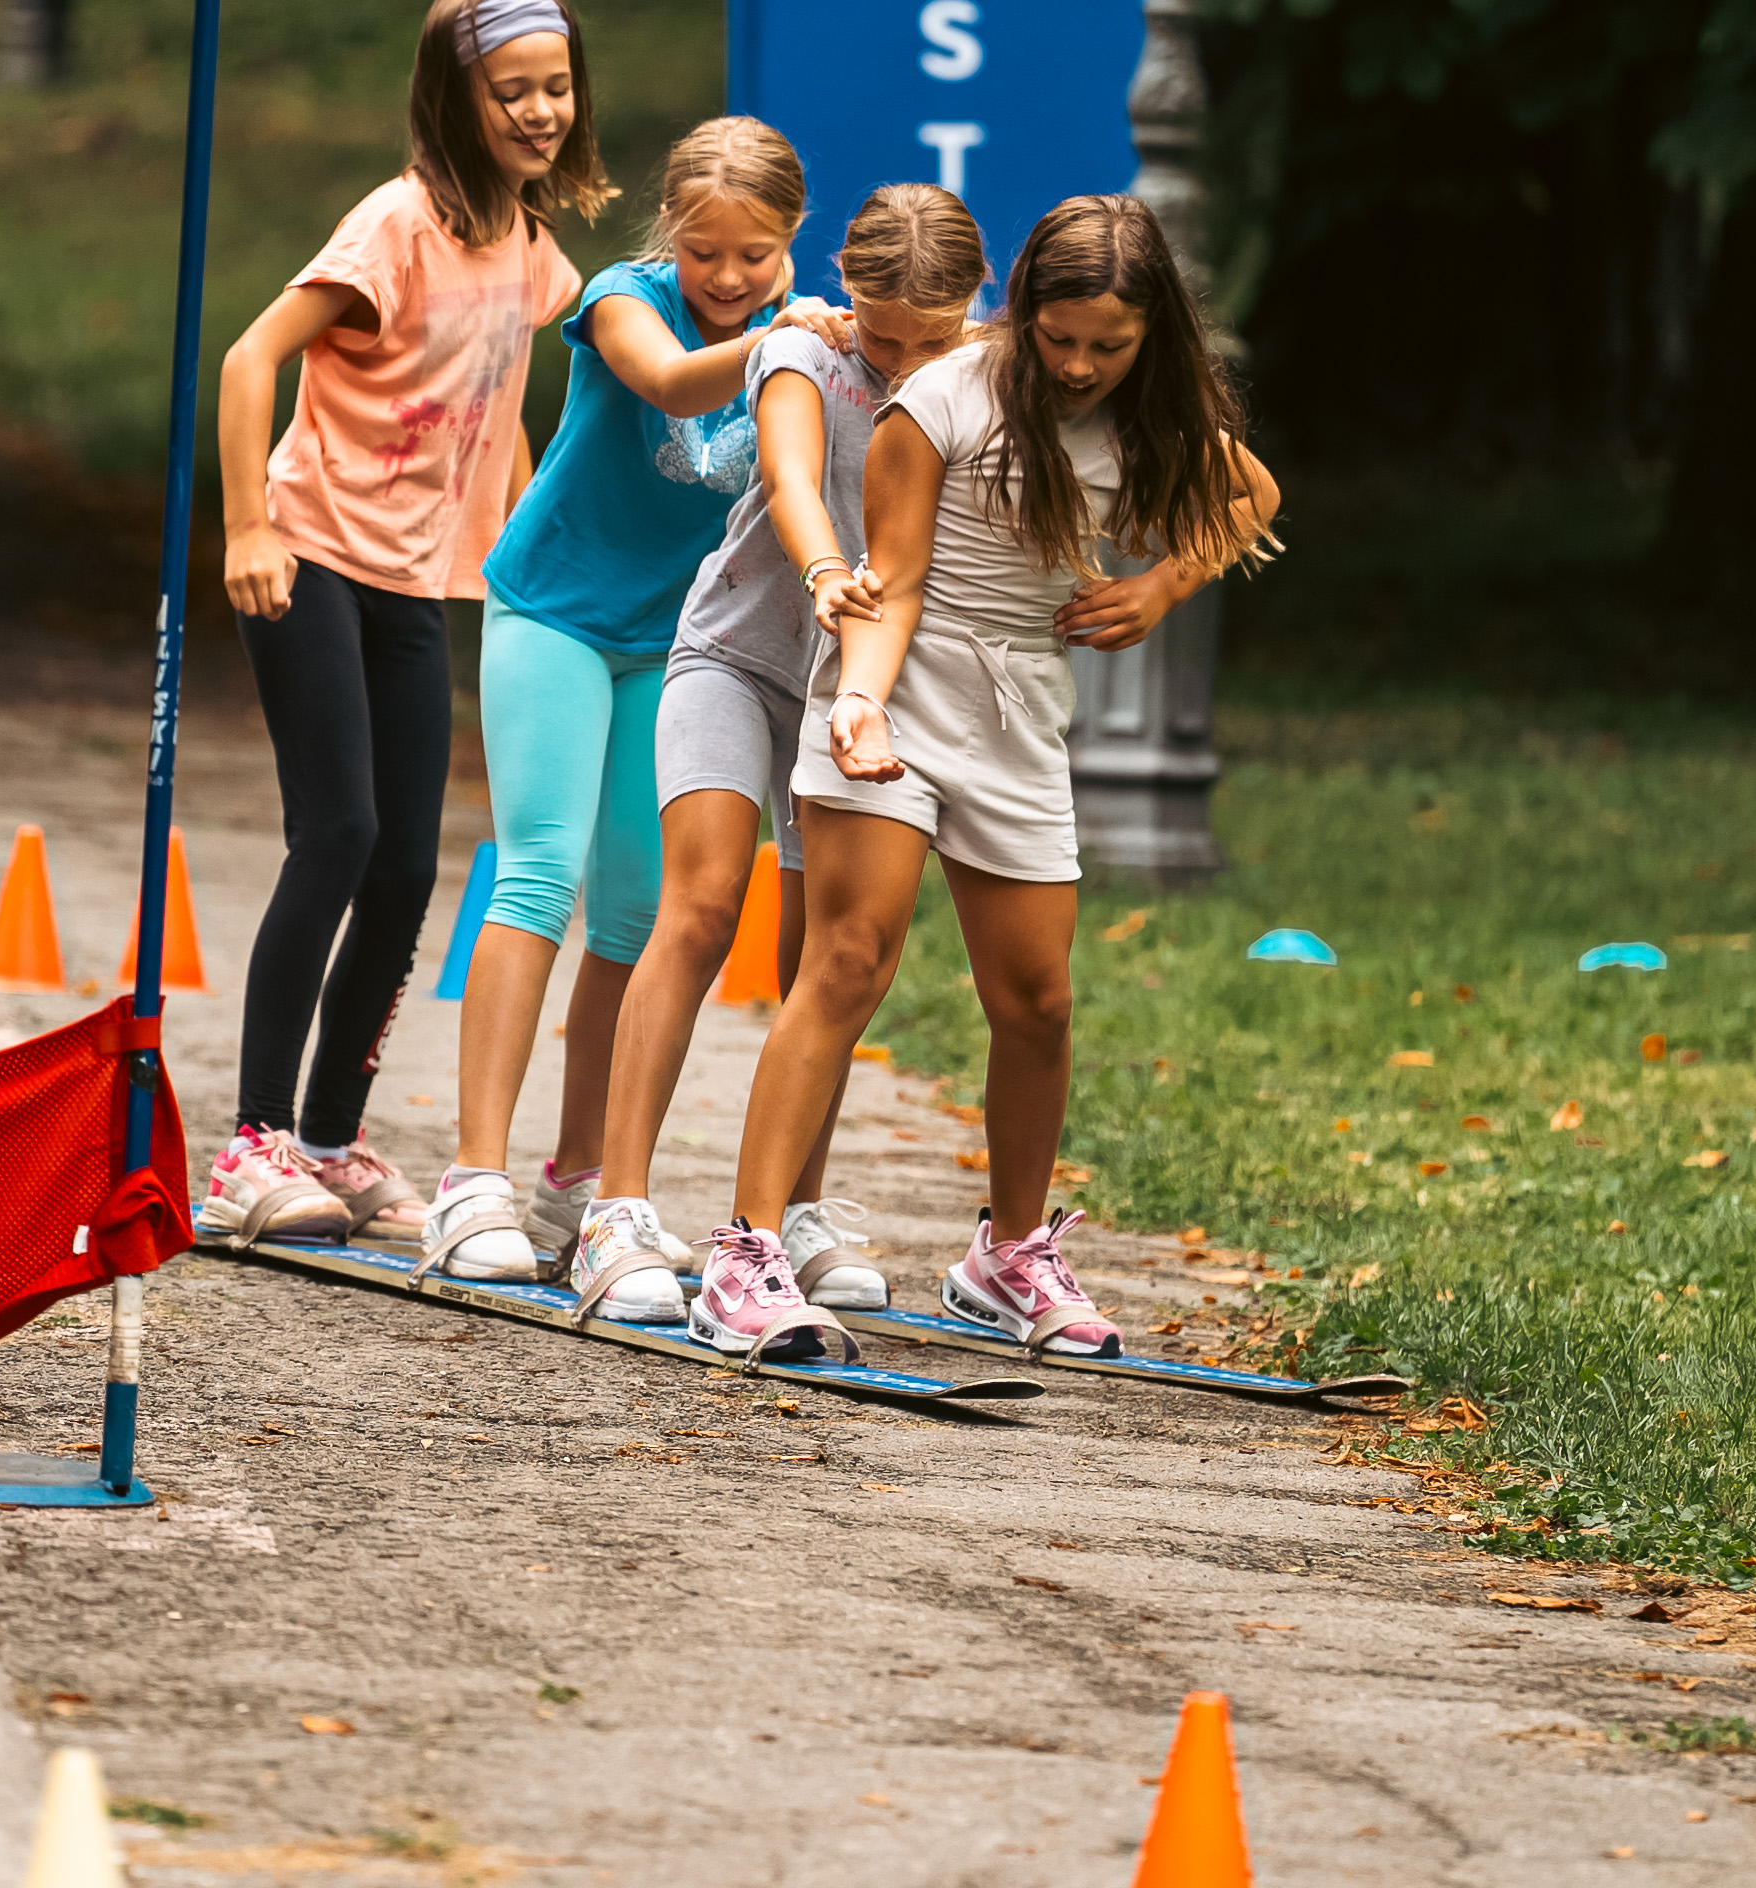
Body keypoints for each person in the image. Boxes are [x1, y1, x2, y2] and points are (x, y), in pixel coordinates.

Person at [692, 194, 1282, 1360]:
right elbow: (891, 581)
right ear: (1024, 313)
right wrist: (855, 705)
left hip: (1017, 712)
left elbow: (1251, 498)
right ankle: (747, 1255)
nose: (1075, 365)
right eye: (1057, 339)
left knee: (1038, 1003)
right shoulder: (945, 399)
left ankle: (1008, 1255)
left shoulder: (1157, 415)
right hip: (898, 688)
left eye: (1106, 347)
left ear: (1149, 332)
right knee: (848, 959)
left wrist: (1157, 589)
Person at [196, 0, 604, 1250]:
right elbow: (250, 356)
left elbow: (509, 393)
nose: (541, 110)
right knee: (340, 831)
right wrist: (247, 527)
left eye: (556, 85)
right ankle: (251, 1146)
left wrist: (533, 526)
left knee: (408, 865)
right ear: (456, 98)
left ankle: (330, 1135)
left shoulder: (533, 253)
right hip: (313, 552)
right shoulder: (395, 228)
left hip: (429, 579)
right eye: (512, 91)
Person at [425, 116, 831, 1287]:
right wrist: (780, 345)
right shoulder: (621, 298)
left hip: (676, 641)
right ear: (673, 234)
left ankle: (575, 1177)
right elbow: (663, 379)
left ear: (791, 239)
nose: (729, 278)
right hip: (550, 609)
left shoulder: (794, 337)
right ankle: (473, 1178)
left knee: (634, 914)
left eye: (756, 256)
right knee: (539, 871)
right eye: (707, 252)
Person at [572, 184, 987, 1325]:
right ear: (843, 290)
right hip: (739, 658)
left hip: (853, 689)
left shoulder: (987, 372)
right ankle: (618, 1210)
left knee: (827, 951)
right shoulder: (802, 349)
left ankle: (792, 1216)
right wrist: (822, 574)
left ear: (974, 303)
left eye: (930, 340)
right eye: (880, 330)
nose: (900, 361)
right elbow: (797, 480)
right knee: (700, 906)